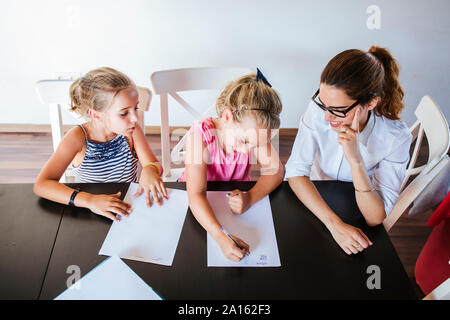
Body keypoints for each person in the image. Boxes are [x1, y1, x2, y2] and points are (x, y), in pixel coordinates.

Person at [286, 46, 412, 255]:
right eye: (323, 104)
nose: (327, 117)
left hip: (360, 203)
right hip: (318, 195)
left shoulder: (395, 138)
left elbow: (374, 217)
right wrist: (334, 224)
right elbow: (296, 171)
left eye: (337, 110)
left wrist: (356, 162)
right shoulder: (319, 111)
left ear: (371, 102)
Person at [34, 67, 168, 222]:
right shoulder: (77, 138)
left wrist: (150, 170)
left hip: (127, 207)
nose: (135, 118)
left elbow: (153, 163)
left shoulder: (131, 131)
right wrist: (90, 200)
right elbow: (42, 184)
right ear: (96, 114)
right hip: (89, 211)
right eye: (124, 113)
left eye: (135, 108)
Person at [180, 69, 284, 262]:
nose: (246, 152)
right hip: (196, 205)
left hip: (232, 199)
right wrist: (221, 236)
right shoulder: (200, 135)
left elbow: (276, 171)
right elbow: (195, 194)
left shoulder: (254, 131)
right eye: (245, 142)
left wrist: (251, 197)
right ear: (227, 117)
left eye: (255, 145)